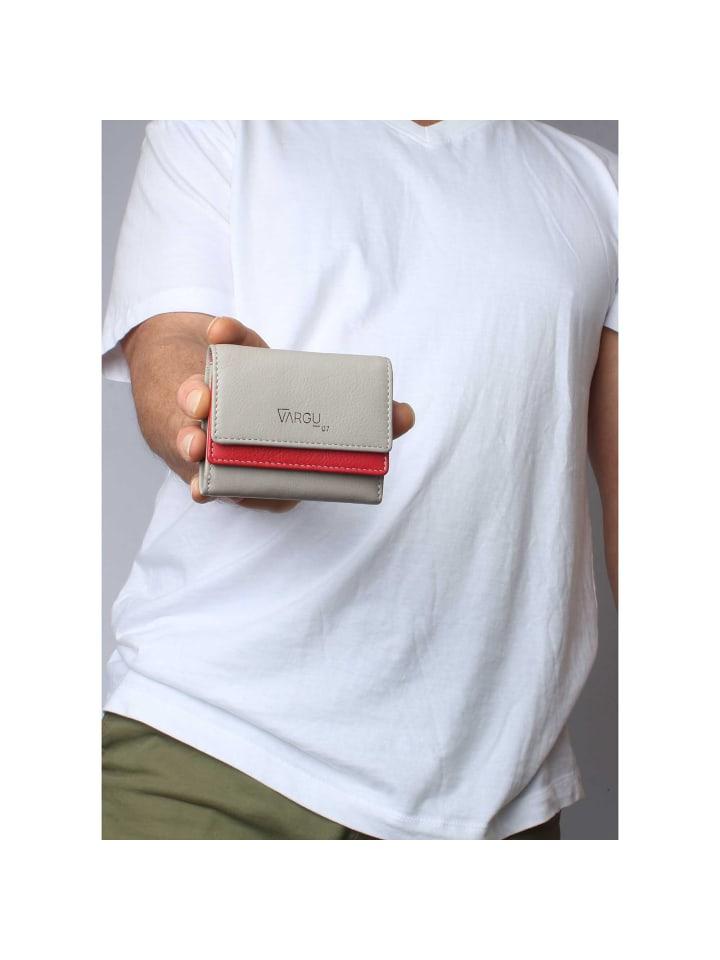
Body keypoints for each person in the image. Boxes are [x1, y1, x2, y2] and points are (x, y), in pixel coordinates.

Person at [102, 120, 618, 840]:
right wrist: (232, 429)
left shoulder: (604, 188)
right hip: (212, 750)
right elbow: (170, 350)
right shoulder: (216, 120)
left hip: (496, 798)